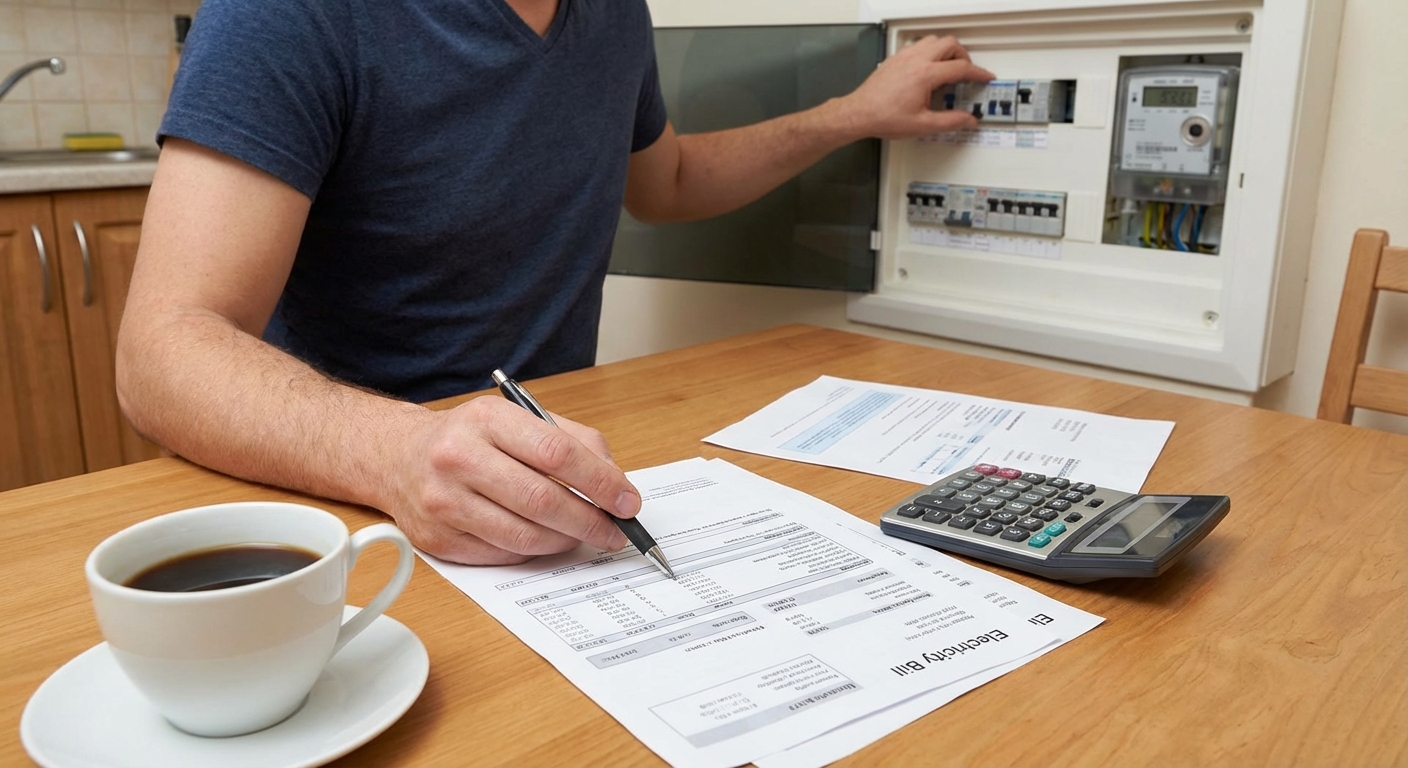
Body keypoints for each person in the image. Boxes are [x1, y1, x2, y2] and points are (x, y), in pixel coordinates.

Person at [115, 0, 993, 566]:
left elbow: (671, 180)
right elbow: (162, 350)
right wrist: (395, 452)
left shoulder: (614, 14)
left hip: (554, 494)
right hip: (342, 510)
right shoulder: (289, 15)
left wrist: (855, 114)